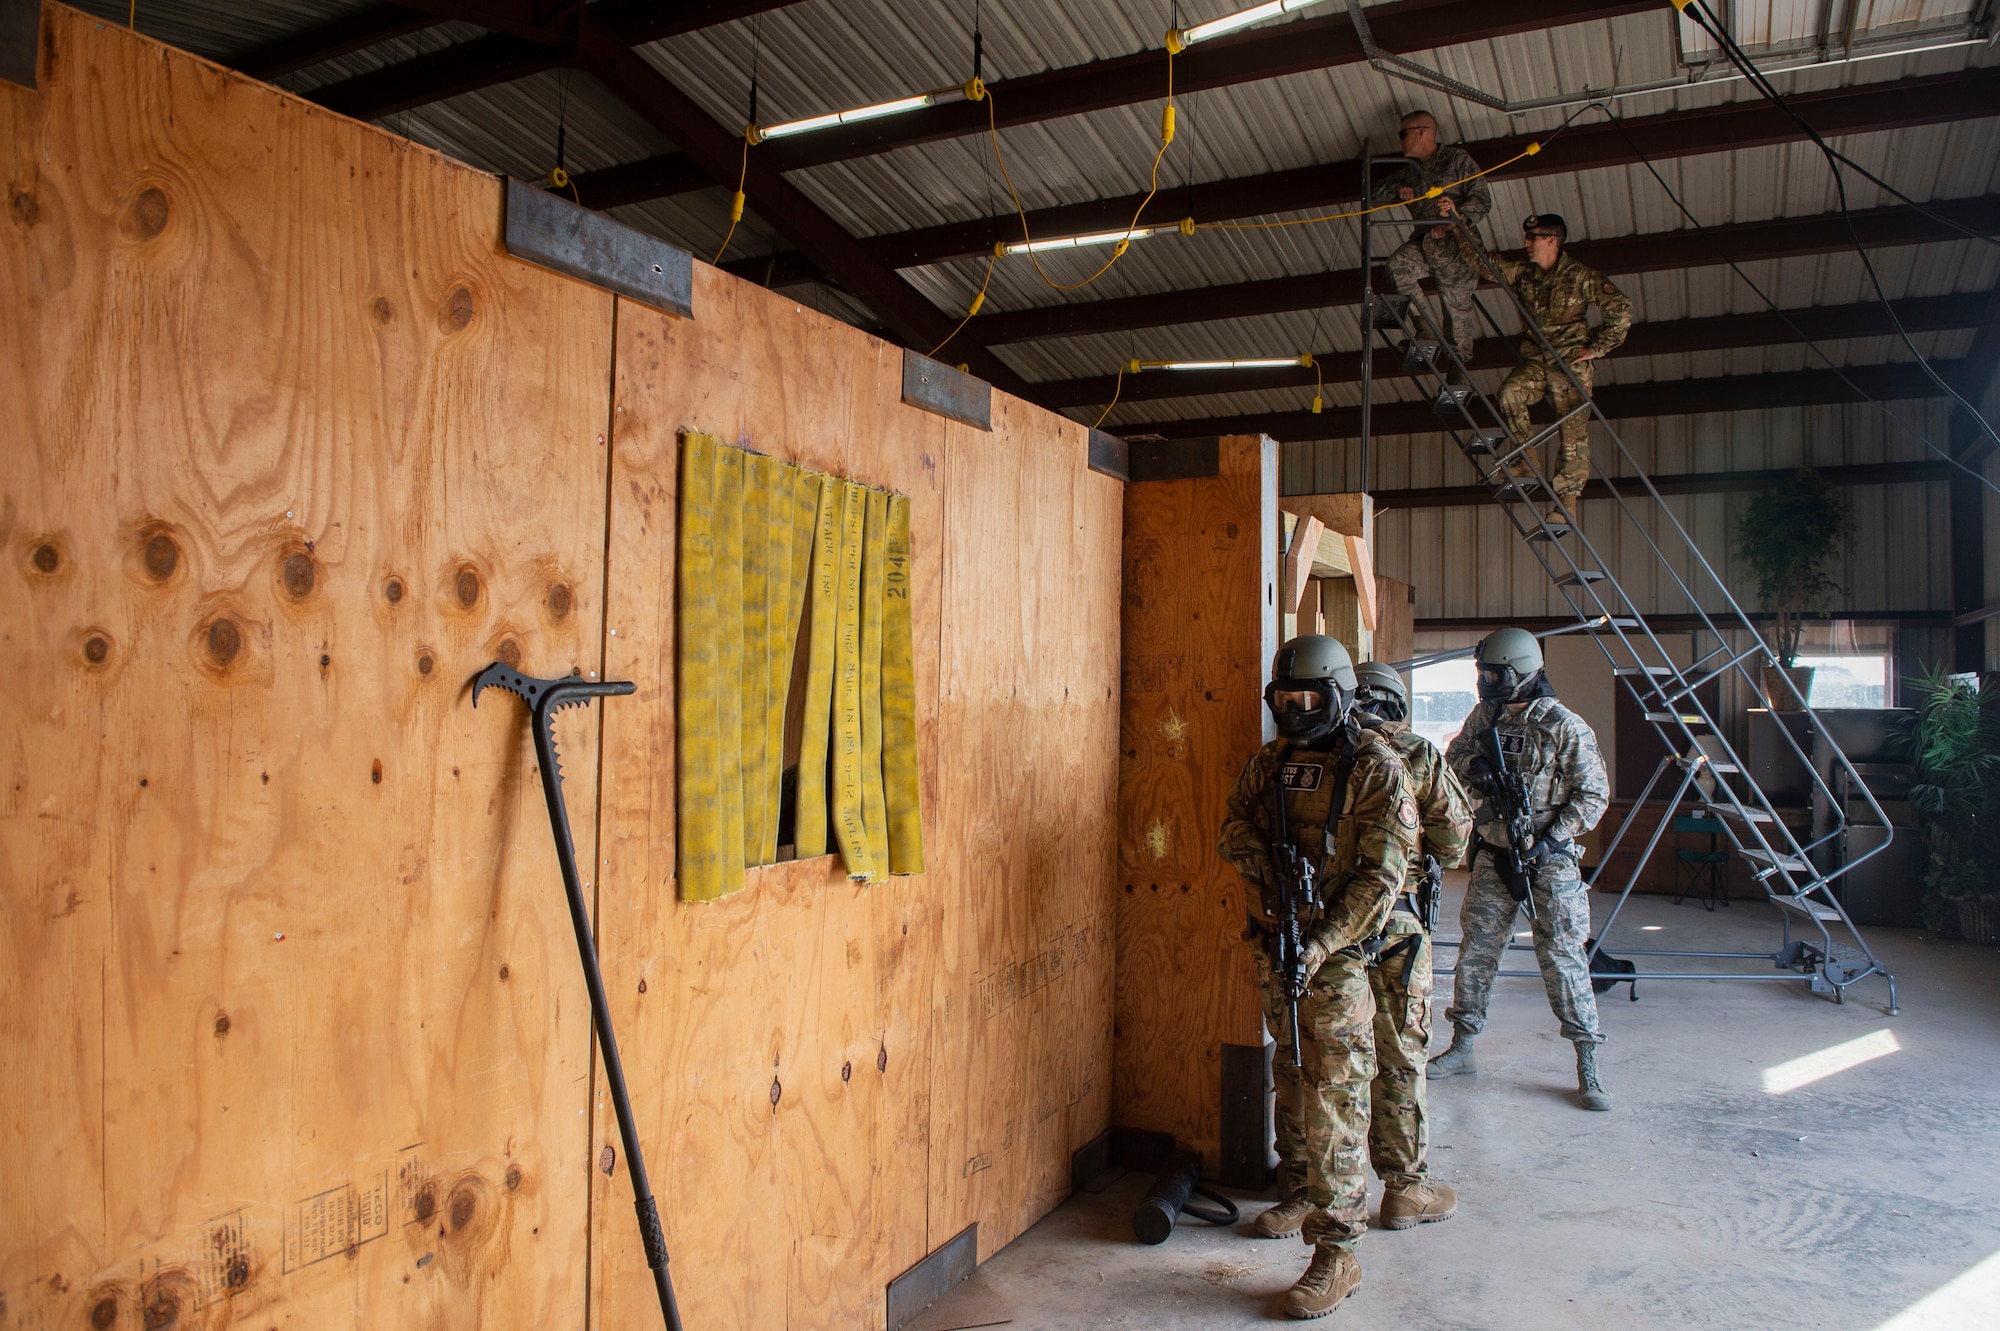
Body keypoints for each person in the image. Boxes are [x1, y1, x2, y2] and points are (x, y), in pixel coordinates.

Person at [1217, 637, 1422, 1319]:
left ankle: (1339, 1250)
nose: (1295, 712)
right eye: (1284, 699)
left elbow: (1382, 877)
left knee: (1336, 1088)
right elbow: (1232, 828)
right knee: (1293, 1073)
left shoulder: (1376, 768)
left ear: (1338, 696)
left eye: (1309, 699)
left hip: (1336, 955)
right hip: (1277, 941)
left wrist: (1325, 938)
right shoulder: (1269, 765)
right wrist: (1270, 882)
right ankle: (1302, 1186)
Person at [1430, 628, 1614, 1110]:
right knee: (1477, 954)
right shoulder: (1483, 716)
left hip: (1548, 861)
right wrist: (1478, 768)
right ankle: (1463, 1046)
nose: (1487, 682)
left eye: (1496, 674)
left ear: (1524, 672)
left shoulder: (1563, 726)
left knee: (1563, 958)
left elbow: (1593, 795)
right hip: (1494, 854)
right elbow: (1453, 760)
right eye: (1484, 673)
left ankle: (1587, 1060)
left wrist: (1553, 839)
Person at [1350, 661, 1472, 1225]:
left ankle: (1309, 1182)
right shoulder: (1419, 753)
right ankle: (1405, 1188)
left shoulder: (1321, 748)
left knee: (1329, 1059)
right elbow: (1451, 846)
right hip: (1397, 926)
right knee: (1400, 1055)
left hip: (1329, 929)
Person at [1483, 213, 1633, 520]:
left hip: (1569, 364)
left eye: (1533, 238)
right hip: (1536, 361)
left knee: (1572, 431)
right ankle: (1526, 460)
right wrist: (1457, 221)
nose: (1526, 243)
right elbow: (1485, 264)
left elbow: (1620, 308)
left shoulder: (1579, 275)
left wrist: (1597, 348)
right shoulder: (1525, 273)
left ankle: (1567, 502)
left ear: (1551, 240)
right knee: (1510, 391)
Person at [1370, 109, 1493, 382]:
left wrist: (1456, 219)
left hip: (1456, 247)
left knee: (1456, 309)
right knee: (1397, 266)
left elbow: (1482, 199)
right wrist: (1398, 190)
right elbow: (1373, 196)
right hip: (1425, 243)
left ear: (1422, 131)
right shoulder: (1409, 172)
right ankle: (1424, 328)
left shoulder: (1456, 160)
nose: (1400, 140)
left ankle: (1457, 367)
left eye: (1403, 134)